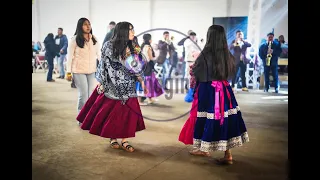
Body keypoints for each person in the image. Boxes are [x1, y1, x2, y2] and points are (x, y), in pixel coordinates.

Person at [179, 25, 249, 165]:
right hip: (224, 89)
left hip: (208, 90)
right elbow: (231, 72)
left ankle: (204, 149)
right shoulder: (227, 54)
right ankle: (227, 153)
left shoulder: (205, 54)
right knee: (226, 118)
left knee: (206, 118)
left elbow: (196, 72)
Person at [76, 22, 147, 153]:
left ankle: (125, 140)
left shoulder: (133, 46)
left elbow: (137, 65)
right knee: (113, 114)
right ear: (122, 32)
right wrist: (102, 82)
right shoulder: (109, 46)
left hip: (129, 85)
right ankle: (113, 137)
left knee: (129, 114)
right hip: (113, 85)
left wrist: (142, 80)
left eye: (133, 30)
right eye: (130, 30)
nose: (133, 33)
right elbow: (103, 65)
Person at [66, 17, 101, 114]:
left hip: (91, 70)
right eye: (85, 24)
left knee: (90, 95)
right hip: (78, 71)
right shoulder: (74, 39)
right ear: (80, 26)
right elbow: (70, 57)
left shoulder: (94, 38)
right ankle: (81, 116)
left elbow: (99, 55)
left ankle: (88, 116)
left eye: (89, 24)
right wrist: (68, 72)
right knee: (83, 95)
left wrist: (104, 67)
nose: (88, 26)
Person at [141, 33, 164, 104]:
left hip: (143, 65)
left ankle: (150, 98)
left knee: (148, 82)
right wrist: (156, 57)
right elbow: (151, 58)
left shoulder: (142, 46)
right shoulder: (148, 47)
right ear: (149, 39)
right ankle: (149, 98)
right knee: (150, 82)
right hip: (148, 66)